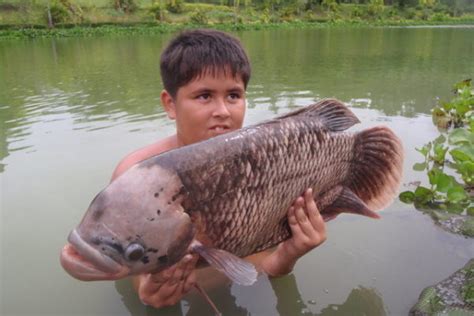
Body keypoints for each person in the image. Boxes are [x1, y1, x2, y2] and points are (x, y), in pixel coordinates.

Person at [110, 29, 327, 309]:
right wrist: (148, 292)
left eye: (234, 95)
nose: (223, 111)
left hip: (239, 291)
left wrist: (292, 252)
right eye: (204, 96)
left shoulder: (268, 165)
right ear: (170, 104)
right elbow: (127, 267)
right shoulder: (136, 176)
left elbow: (266, 266)